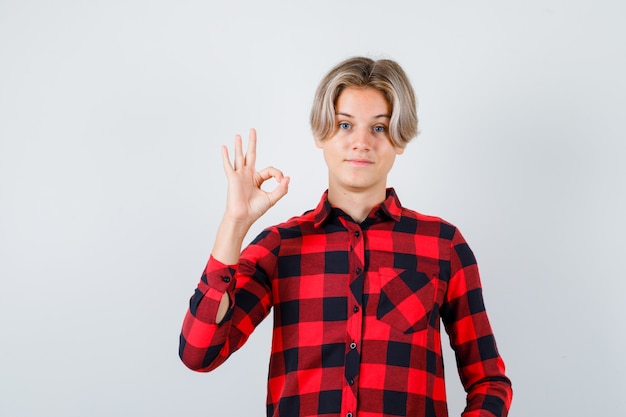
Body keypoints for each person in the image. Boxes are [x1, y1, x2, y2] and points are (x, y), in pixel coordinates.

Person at [179, 56, 513, 417]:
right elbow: (200, 353)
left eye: (379, 128)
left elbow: (489, 382)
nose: (361, 142)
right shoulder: (280, 246)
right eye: (344, 125)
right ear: (321, 134)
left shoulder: (442, 245)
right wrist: (235, 223)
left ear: (399, 139)